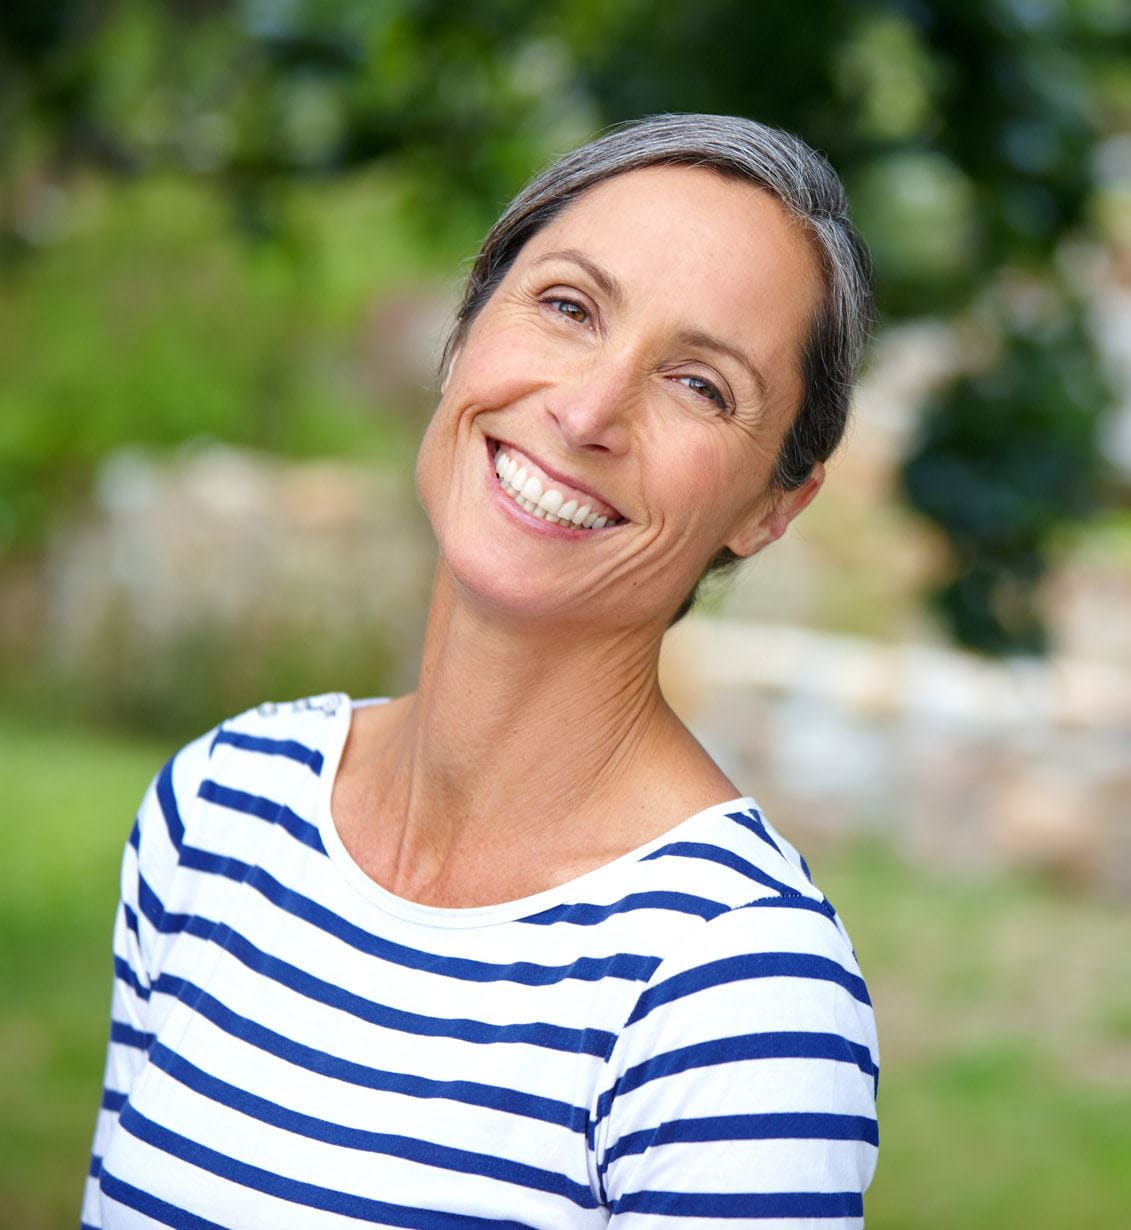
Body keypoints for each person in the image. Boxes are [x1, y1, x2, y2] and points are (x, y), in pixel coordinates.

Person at [83, 113, 879, 1228]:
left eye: (699, 385)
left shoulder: (733, 992)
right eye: (567, 307)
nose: (588, 410)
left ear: (770, 508)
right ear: (466, 330)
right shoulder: (220, 807)